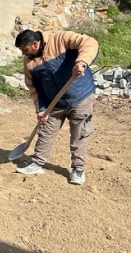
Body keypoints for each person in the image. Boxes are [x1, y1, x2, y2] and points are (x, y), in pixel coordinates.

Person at [14, 29, 98, 185]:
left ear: (35, 43)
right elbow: (35, 88)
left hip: (80, 96)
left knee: (79, 133)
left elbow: (89, 43)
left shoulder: (60, 39)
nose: (24, 54)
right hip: (55, 102)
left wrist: (81, 62)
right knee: (45, 130)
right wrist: (41, 109)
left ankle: (78, 169)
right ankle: (38, 163)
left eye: (26, 50)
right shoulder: (29, 62)